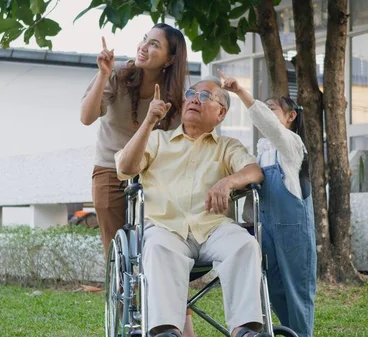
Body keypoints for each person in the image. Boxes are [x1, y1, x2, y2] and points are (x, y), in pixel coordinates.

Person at [115, 78, 271, 337]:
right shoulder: (157, 140)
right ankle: (166, 331)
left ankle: (245, 330)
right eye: (190, 93)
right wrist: (149, 121)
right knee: (157, 247)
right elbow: (126, 168)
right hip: (166, 228)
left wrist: (228, 181)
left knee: (245, 245)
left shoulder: (227, 146)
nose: (194, 99)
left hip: (213, 229)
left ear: (221, 113)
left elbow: (254, 172)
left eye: (205, 96)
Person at [80, 23, 196, 337]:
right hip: (109, 171)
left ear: (170, 59)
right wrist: (103, 73)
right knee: (119, 258)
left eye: (155, 44)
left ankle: (181, 324)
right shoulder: (117, 75)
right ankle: (124, 322)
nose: (144, 46)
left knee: (166, 248)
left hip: (153, 177)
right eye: (144, 40)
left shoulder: (177, 97)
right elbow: (87, 116)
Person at [218, 70, 317, 337]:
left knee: (297, 290)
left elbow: (271, 127)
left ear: (291, 116)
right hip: (266, 230)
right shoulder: (262, 152)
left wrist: (240, 92)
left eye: (271, 108)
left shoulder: (292, 146)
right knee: (272, 288)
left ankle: (301, 334)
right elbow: (255, 190)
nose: (265, 113)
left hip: (292, 230)